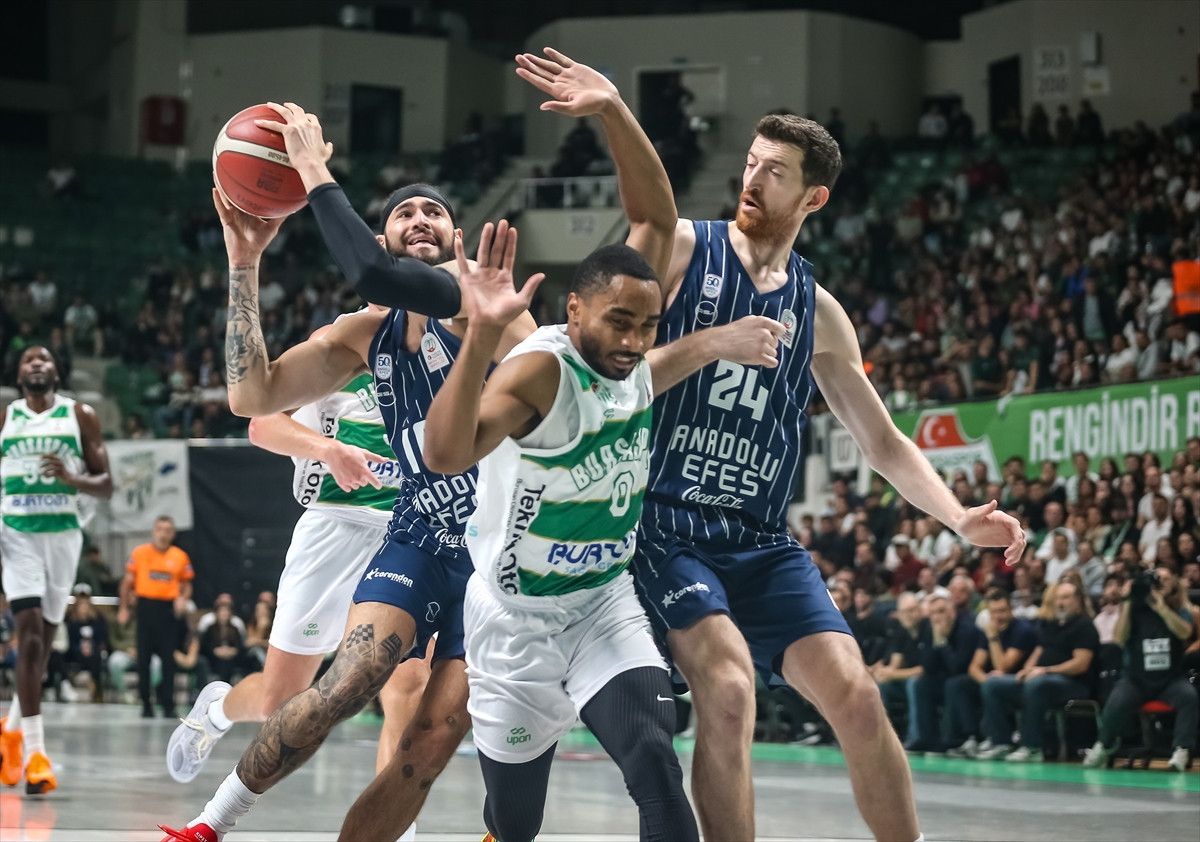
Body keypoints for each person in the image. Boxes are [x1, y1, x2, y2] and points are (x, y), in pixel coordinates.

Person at [518, 50, 1026, 841]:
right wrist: (713, 342)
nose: (753, 180)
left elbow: (883, 442)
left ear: (813, 197)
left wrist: (958, 517)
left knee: (858, 697)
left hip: (759, 539)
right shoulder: (685, 251)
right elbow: (605, 378)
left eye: (776, 172)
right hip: (663, 523)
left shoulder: (819, 312)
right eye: (752, 163)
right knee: (727, 691)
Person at [419, 233, 768, 841]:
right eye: (620, 322)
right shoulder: (541, 371)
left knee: (654, 759)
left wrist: (716, 341)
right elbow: (445, 454)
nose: (633, 342)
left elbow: (654, 370)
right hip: (514, 622)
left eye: (648, 326)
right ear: (575, 308)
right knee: (514, 824)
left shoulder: (628, 367)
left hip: (602, 606)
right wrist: (480, 336)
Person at [164, 314, 430, 798]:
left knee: (408, 688)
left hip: (409, 532)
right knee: (280, 702)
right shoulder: (339, 342)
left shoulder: (444, 345)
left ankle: (393, 829)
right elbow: (262, 424)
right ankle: (218, 711)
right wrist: (328, 450)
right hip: (335, 530)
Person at [0, 345, 113, 794]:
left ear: (56, 372)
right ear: (19, 374)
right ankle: (36, 755)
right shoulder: (6, 418)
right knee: (28, 636)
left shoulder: (79, 415)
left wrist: (72, 478)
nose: (36, 364)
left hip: (63, 536)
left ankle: (10, 730)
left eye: (44, 359)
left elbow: (106, 484)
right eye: (28, 360)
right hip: (17, 536)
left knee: (43, 646)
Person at [1083, 567, 1197, 772]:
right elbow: (1119, 638)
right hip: (1137, 679)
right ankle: (1102, 745)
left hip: (1170, 678)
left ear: (1173, 583)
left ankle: (1181, 749)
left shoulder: (1178, 607)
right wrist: (1128, 601)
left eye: (1165, 579)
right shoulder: (1134, 609)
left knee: (1189, 697)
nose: (1160, 583)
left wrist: (1161, 607)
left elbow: (1184, 633)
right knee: (1116, 701)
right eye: (1157, 579)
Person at [976, 581, 1098, 762]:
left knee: (1036, 684)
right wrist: (1026, 671)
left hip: (1074, 683)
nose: (1060, 603)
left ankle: (1032, 747)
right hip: (1043, 678)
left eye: (1065, 598)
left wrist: (1046, 670)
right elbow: (1039, 650)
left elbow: (1081, 664)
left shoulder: (1084, 625)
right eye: (1057, 598)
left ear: (1078, 600)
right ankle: (1000, 742)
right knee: (993, 684)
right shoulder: (1051, 624)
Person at [945, 588, 1037, 757]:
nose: (998, 616)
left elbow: (1003, 666)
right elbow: (974, 667)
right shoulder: (989, 630)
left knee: (992, 686)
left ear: (1011, 610)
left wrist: (993, 637)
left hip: (1019, 681)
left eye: (1002, 611)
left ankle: (1001, 741)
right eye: (994, 612)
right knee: (957, 684)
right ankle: (973, 737)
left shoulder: (1022, 631)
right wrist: (985, 681)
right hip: (994, 681)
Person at [119, 515, 193, 719]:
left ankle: (168, 704)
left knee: (169, 660)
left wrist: (182, 598)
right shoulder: (140, 553)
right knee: (143, 660)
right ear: (154, 531)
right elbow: (127, 582)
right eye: (160, 529)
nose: (163, 534)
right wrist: (124, 608)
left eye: (167, 530)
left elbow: (187, 584)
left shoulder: (180, 556)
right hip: (145, 609)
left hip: (168, 612)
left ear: (173, 534)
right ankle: (146, 704)